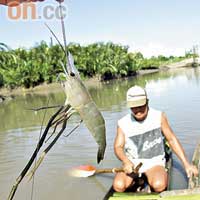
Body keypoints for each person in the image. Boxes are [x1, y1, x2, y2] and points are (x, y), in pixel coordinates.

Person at [113, 85, 198, 193]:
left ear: (147, 102)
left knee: (159, 185)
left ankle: (148, 180)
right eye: (134, 107)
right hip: (133, 163)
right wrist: (126, 161)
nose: (138, 110)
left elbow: (171, 139)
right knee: (118, 186)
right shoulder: (123, 123)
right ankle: (138, 181)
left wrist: (187, 165)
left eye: (141, 105)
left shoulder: (158, 116)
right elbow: (118, 147)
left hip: (154, 162)